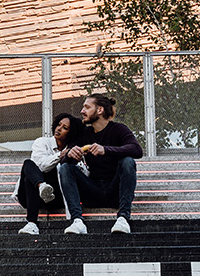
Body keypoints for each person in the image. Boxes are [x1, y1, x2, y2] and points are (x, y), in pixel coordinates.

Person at [57, 93, 142, 235]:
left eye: (87, 107)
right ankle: (77, 221)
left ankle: (123, 218)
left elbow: (136, 150)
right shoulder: (84, 133)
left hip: (115, 191)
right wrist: (70, 154)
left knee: (128, 161)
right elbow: (64, 159)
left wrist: (105, 150)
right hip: (92, 191)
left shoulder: (118, 129)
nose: (82, 111)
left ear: (100, 110)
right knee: (66, 167)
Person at [14, 113, 81, 235]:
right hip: (31, 196)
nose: (59, 129)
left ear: (71, 133)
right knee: (28, 164)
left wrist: (70, 157)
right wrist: (60, 156)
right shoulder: (42, 142)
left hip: (55, 197)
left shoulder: (73, 150)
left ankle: (32, 223)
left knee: (60, 170)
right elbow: (40, 165)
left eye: (65, 128)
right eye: (59, 125)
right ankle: (32, 222)